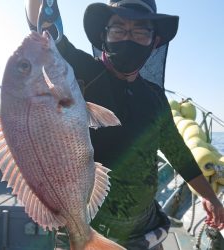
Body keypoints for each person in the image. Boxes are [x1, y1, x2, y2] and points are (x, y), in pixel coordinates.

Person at [25, 0, 224, 249]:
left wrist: (208, 195)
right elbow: (40, 26)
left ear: (155, 42)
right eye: (119, 29)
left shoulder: (154, 97)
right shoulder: (78, 69)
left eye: (141, 31)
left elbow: (177, 151)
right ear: (104, 36)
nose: (128, 39)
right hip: (85, 226)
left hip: (145, 227)